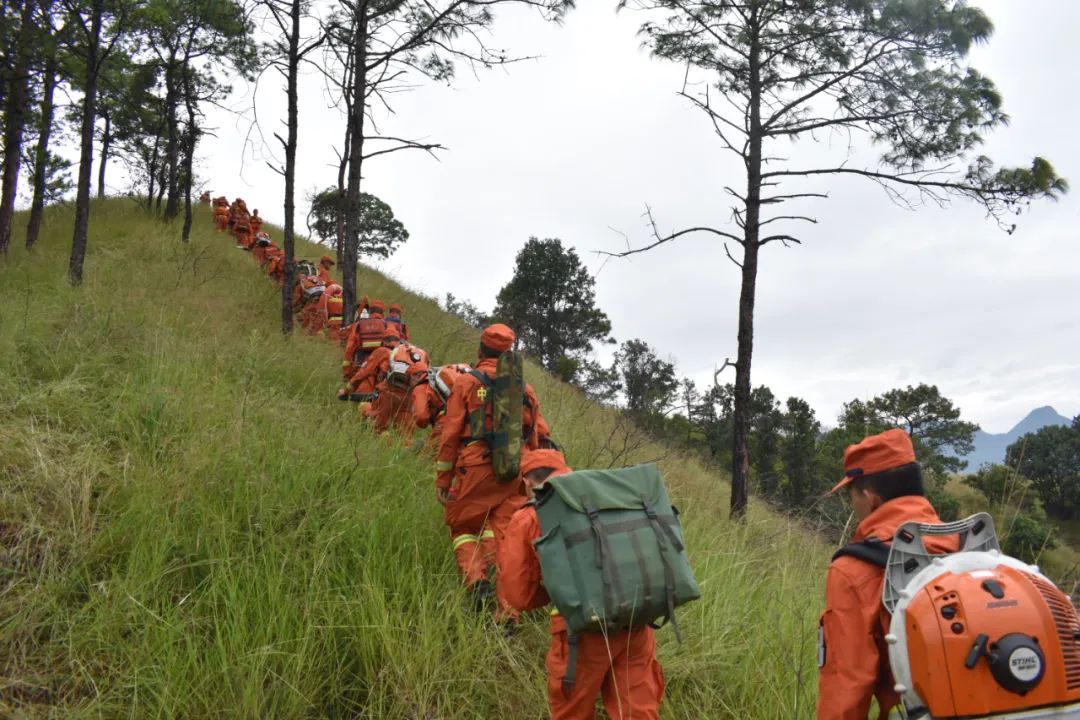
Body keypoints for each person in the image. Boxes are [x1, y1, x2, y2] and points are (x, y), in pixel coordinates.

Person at [498, 449, 666, 720]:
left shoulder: (529, 517)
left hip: (580, 633)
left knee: (572, 712)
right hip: (636, 621)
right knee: (639, 713)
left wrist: (557, 591)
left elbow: (518, 596)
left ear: (528, 481)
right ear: (566, 470)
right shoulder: (609, 496)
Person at [817, 428, 957, 720]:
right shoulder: (969, 548)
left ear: (869, 497)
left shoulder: (852, 571)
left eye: (852, 496)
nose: (853, 507)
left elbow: (846, 689)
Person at [434, 323, 545, 611]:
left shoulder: (468, 382)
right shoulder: (526, 389)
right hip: (514, 470)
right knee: (502, 533)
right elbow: (534, 438)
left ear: (481, 349)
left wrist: (443, 480)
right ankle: (507, 613)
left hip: (475, 468)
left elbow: (449, 435)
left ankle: (477, 582)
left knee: (462, 526)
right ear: (509, 353)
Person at [344, 324, 400, 400]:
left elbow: (364, 372)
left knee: (369, 377)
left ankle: (363, 400)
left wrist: (347, 389)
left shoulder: (382, 351)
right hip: (402, 393)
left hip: (385, 391)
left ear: (384, 341)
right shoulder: (403, 352)